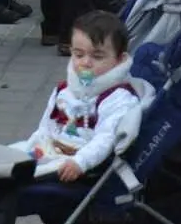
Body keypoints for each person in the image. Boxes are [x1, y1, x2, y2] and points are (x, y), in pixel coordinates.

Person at [14, 11, 154, 181]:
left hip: (79, 162)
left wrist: (81, 162)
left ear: (119, 59)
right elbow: (46, 126)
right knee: (8, 157)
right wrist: (33, 144)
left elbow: (105, 138)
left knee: (18, 174)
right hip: (49, 150)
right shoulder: (64, 90)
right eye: (78, 55)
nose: (86, 63)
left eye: (97, 56)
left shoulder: (119, 98)